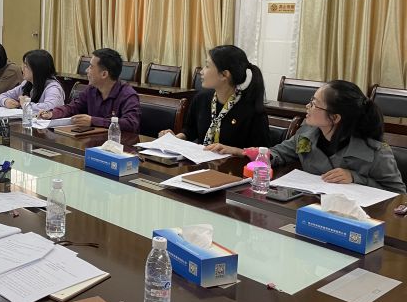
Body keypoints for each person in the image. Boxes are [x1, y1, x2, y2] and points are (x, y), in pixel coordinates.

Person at [257, 81, 405, 193]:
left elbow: (398, 194)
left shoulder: (376, 152)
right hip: (312, 206)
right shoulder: (306, 133)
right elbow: (279, 153)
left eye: (314, 104)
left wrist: (355, 178)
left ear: (335, 117)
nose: (307, 106)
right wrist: (258, 155)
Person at [159, 45, 269, 151]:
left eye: (207, 66)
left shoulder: (253, 110)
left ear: (224, 75)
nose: (202, 71)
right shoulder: (201, 98)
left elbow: (262, 153)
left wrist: (235, 151)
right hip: (201, 160)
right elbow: (190, 130)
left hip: (232, 164)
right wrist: (175, 138)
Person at [39, 48, 140, 133]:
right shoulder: (91, 90)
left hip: (119, 145)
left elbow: (131, 124)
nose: (86, 70)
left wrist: (93, 121)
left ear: (104, 74)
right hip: (94, 141)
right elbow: (73, 108)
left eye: (91, 67)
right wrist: (52, 113)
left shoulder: (128, 95)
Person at [0, 49, 65, 112]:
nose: (22, 69)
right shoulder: (27, 83)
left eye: (26, 66)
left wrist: (26, 104)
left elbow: (50, 107)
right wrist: (5, 101)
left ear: (37, 69)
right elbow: (2, 95)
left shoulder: (53, 88)